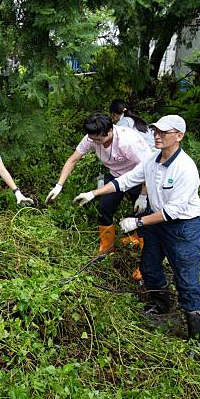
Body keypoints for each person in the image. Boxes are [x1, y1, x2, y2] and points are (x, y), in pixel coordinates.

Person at [73, 115, 200, 342]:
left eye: (164, 133)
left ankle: (198, 336)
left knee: (186, 278)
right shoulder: (152, 159)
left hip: (183, 227)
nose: (157, 135)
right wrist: (93, 194)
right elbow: (125, 181)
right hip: (157, 224)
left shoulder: (186, 168)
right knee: (148, 266)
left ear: (179, 136)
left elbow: (172, 212)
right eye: (155, 131)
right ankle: (161, 304)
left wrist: (137, 222)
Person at [45, 114, 151, 280]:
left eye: (98, 140)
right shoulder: (91, 137)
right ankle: (106, 248)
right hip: (115, 177)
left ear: (110, 131)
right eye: (92, 139)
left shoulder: (128, 142)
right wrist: (59, 186)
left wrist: (143, 195)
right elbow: (73, 160)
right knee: (104, 208)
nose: (94, 143)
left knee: (142, 216)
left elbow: (148, 168)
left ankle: (147, 264)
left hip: (138, 178)